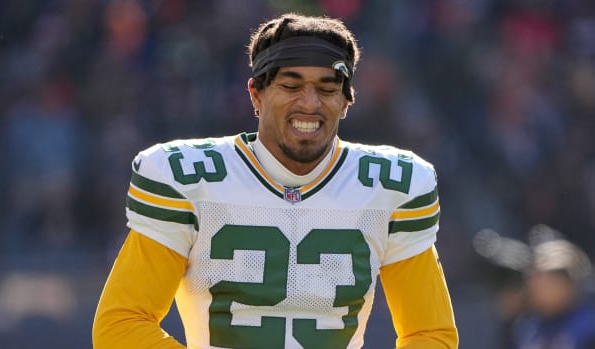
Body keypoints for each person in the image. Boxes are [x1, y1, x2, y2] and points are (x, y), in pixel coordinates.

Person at [92, 12, 458, 349]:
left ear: (347, 100)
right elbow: (121, 323)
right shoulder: (185, 177)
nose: (310, 103)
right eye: (291, 85)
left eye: (328, 89)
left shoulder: (392, 185)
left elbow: (430, 333)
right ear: (256, 93)